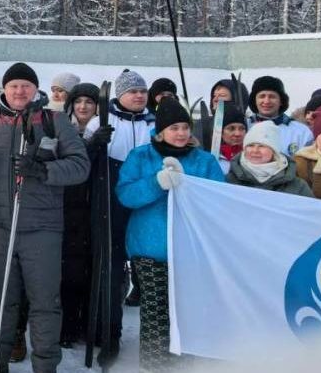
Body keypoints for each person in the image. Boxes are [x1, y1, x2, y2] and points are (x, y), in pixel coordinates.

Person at [0, 62, 89, 373]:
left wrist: (44, 170)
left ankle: (45, 365)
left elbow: (80, 165)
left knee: (44, 301)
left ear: (35, 89)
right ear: (5, 89)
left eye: (25, 85)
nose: (19, 91)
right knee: (1, 297)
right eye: (13, 85)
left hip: (42, 227)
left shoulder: (54, 120)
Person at [116, 97, 225, 371]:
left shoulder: (204, 161)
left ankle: (184, 365)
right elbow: (126, 195)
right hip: (151, 249)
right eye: (174, 127)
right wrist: (157, 183)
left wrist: (188, 185)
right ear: (161, 130)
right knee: (156, 314)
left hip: (191, 250)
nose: (181, 133)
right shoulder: (141, 156)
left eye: (185, 127)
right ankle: (154, 366)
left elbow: (218, 199)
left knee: (187, 311)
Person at [81, 68, 152, 347]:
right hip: (108, 199)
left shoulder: (153, 123)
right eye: (133, 91)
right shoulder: (103, 119)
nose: (138, 96)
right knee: (109, 268)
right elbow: (82, 157)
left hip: (143, 200)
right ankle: (107, 330)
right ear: (121, 95)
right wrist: (94, 142)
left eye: (142, 91)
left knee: (144, 266)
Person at [59, 82, 101, 348]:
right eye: (78, 102)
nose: (83, 107)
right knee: (70, 270)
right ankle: (68, 325)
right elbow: (70, 166)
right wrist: (91, 147)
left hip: (95, 208)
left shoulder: (105, 129)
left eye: (89, 102)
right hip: (69, 208)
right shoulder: (64, 129)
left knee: (93, 270)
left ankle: (91, 323)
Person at [226, 122, 313, 197]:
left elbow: (309, 213)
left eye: (262, 146)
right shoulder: (229, 181)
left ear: (274, 151)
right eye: (250, 145)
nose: (255, 151)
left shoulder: (297, 186)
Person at [248, 76, 313, 154]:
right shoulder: (245, 127)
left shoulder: (300, 132)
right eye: (262, 96)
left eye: (272, 97)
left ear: (281, 101)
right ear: (254, 101)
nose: (267, 101)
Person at [213, 102, 247, 174]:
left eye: (242, 129)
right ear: (221, 133)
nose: (237, 134)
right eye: (231, 129)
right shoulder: (211, 158)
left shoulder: (253, 156)